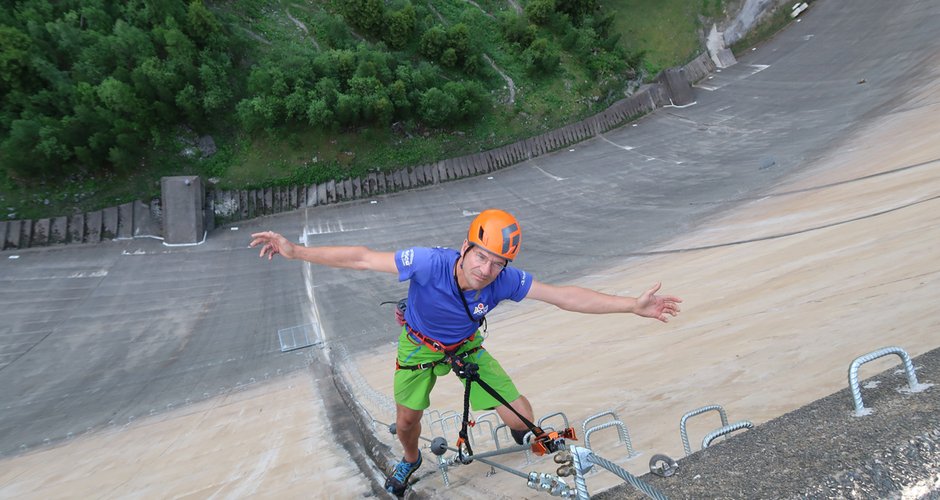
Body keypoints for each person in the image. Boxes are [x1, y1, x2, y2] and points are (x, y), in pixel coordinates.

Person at [250, 209, 681, 496]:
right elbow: (362, 258)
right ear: (464, 248)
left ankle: (529, 437)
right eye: (481, 257)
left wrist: (632, 305)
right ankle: (411, 458)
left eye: (497, 263)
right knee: (406, 422)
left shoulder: (504, 281)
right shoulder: (427, 263)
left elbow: (563, 296)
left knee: (518, 414)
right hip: (419, 347)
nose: (485, 270)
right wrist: (296, 251)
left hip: (466, 347)